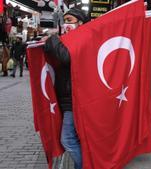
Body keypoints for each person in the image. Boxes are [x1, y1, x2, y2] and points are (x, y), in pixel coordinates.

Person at [43, 7, 88, 169]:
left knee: (67, 139)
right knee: (76, 138)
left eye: (69, 21)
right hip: (68, 99)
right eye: (65, 21)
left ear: (81, 23)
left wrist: (53, 38)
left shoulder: (82, 39)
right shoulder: (70, 39)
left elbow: (66, 57)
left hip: (74, 101)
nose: (66, 24)